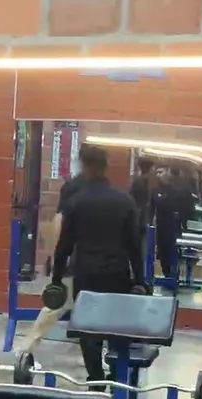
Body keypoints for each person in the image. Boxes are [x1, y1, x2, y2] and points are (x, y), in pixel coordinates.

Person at [50, 144, 147, 384]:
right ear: (105, 167)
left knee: (88, 331)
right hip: (117, 274)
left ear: (84, 165)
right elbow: (135, 246)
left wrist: (56, 279)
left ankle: (95, 380)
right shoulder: (124, 201)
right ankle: (116, 377)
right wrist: (140, 280)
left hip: (87, 275)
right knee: (116, 328)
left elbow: (64, 246)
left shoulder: (76, 202)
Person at [14, 162, 90, 356]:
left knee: (57, 308)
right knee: (55, 308)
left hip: (75, 266)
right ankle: (25, 349)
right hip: (76, 267)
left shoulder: (63, 214)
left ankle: (25, 348)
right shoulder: (68, 215)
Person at [149, 164, 195, 283]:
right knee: (163, 252)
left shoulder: (182, 189)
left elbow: (189, 207)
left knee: (173, 250)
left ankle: (173, 275)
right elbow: (152, 208)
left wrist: (184, 220)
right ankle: (167, 275)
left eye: (161, 172)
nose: (159, 175)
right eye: (157, 173)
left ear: (168, 172)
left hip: (175, 224)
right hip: (161, 225)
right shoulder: (156, 190)